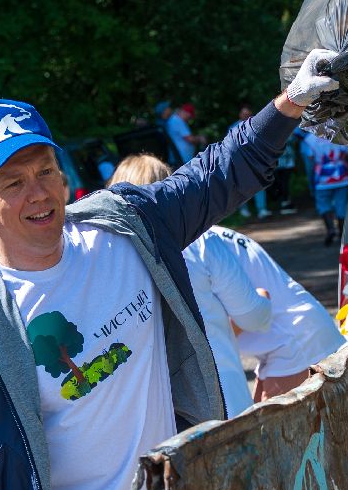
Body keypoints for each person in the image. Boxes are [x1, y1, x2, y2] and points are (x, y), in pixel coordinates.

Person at [0, 51, 339, 490]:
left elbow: (217, 174)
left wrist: (290, 102)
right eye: (13, 182)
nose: (39, 192)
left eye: (45, 170)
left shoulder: (125, 228)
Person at [108, 153, 272, 416]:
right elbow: (253, 317)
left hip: (158, 419)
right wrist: (264, 301)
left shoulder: (109, 260)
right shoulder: (202, 243)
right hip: (224, 404)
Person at [209, 225, 347, 401]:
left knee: (265, 427)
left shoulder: (194, 243)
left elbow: (246, 313)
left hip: (294, 341)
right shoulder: (204, 232)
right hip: (294, 335)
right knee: (252, 423)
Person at [301, 129, 348, 245]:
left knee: (323, 204)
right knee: (342, 205)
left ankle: (330, 229)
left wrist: (311, 181)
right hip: (342, 175)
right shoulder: (340, 133)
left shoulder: (309, 139)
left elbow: (310, 162)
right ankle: (341, 233)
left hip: (322, 178)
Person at [226, 106, 271, 218]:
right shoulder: (233, 128)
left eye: (248, 114)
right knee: (241, 187)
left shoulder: (257, 125)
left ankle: (262, 209)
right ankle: (244, 210)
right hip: (240, 161)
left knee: (259, 185)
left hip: (256, 160)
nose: (246, 117)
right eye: (244, 114)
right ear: (240, 115)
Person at [164, 102, 204, 167]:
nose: (189, 118)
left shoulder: (175, 120)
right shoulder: (177, 121)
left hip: (180, 159)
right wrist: (200, 138)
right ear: (185, 112)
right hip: (181, 159)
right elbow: (190, 139)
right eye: (190, 116)